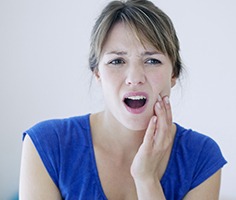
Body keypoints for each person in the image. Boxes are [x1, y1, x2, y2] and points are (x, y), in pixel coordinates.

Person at [19, 0, 227, 199]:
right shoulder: (46, 145)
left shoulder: (202, 157)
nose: (134, 78)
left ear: (174, 74)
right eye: (117, 61)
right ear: (97, 73)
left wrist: (146, 179)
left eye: (152, 60)